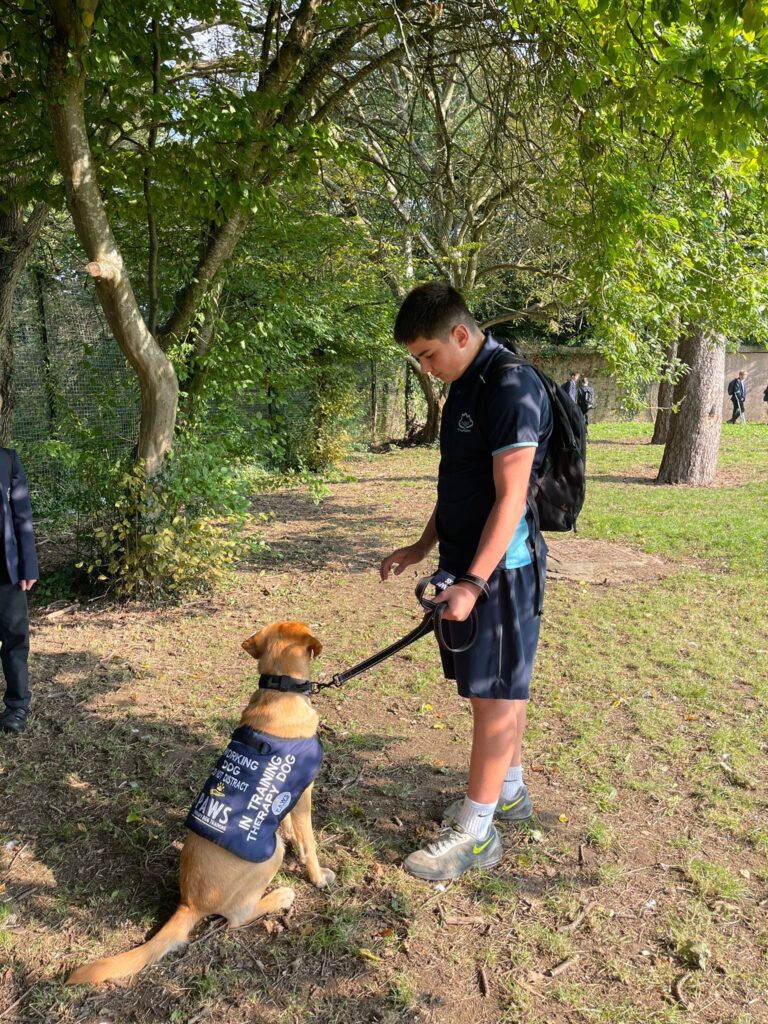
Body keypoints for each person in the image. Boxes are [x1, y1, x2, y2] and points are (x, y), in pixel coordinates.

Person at [380, 282, 552, 881]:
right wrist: (421, 547)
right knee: (500, 689)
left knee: (493, 697)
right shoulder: (462, 388)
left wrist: (474, 583)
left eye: (428, 355)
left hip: (500, 574)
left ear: (460, 334)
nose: (425, 368)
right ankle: (508, 792)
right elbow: (459, 485)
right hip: (468, 567)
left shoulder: (510, 386)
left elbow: (510, 500)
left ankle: (477, 834)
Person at [0, 446, 38, 735]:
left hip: (6, 571)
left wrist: (28, 566)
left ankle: (17, 707)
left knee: (15, 637)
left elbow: (21, 514)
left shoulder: (7, 459)